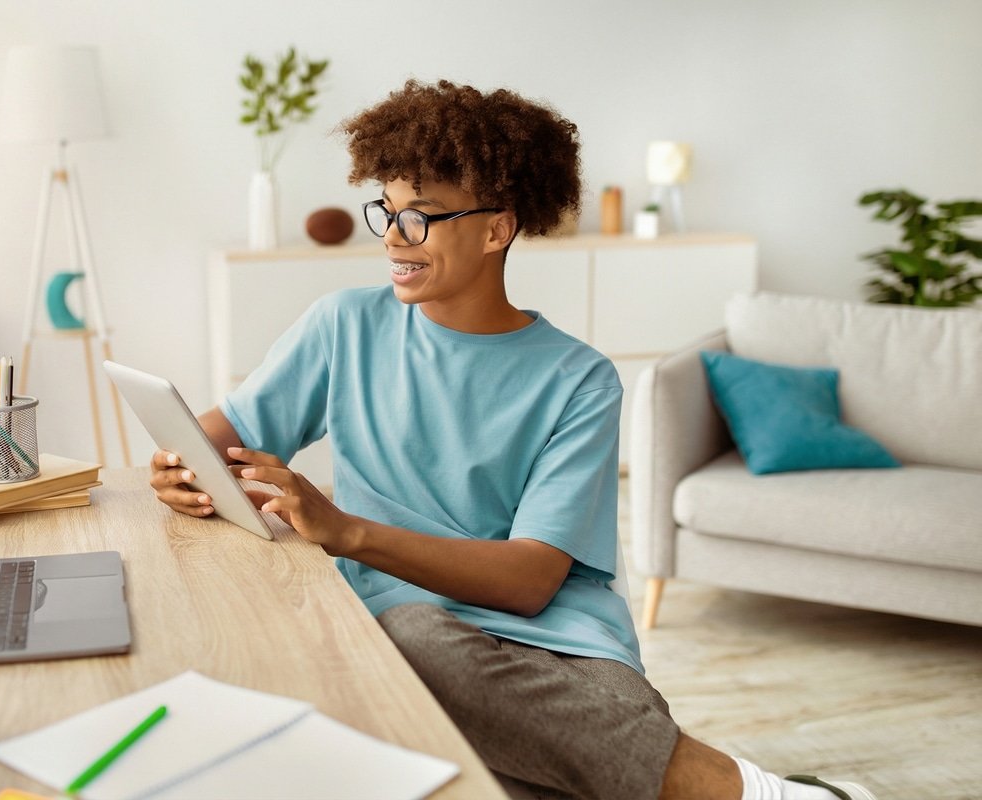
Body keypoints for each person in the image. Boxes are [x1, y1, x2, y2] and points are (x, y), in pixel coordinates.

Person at [150, 80, 875, 800]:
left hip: (563, 644)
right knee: (425, 647)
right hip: (413, 627)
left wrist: (347, 531)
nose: (394, 237)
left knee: (523, 714)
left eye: (420, 216)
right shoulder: (344, 326)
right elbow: (213, 439)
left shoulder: (580, 380)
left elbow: (530, 583)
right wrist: (179, 467)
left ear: (496, 230)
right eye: (388, 212)